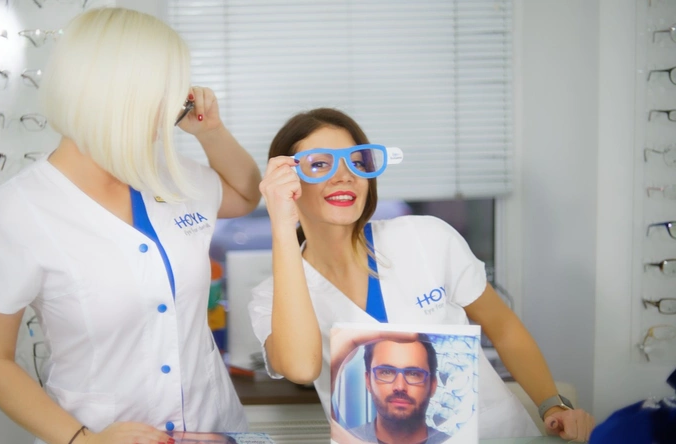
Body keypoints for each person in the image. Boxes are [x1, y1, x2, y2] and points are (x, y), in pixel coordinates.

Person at [0, 8, 261, 444]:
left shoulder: (173, 175)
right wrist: (84, 439)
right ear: (119, 92)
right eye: (166, 91)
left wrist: (210, 131)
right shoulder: (21, 210)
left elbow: (246, 193)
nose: (176, 106)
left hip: (211, 427)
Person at [248, 108, 595, 442]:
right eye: (320, 164)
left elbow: (502, 327)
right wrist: (281, 224)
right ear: (286, 181)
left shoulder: (426, 237)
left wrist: (553, 405)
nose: (345, 175)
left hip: (496, 436)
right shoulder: (270, 297)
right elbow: (301, 368)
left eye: (357, 162)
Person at [346, 336, 450, 444]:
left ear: (433, 385)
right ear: (368, 381)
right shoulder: (341, 440)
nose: (400, 386)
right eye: (386, 372)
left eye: (413, 374)